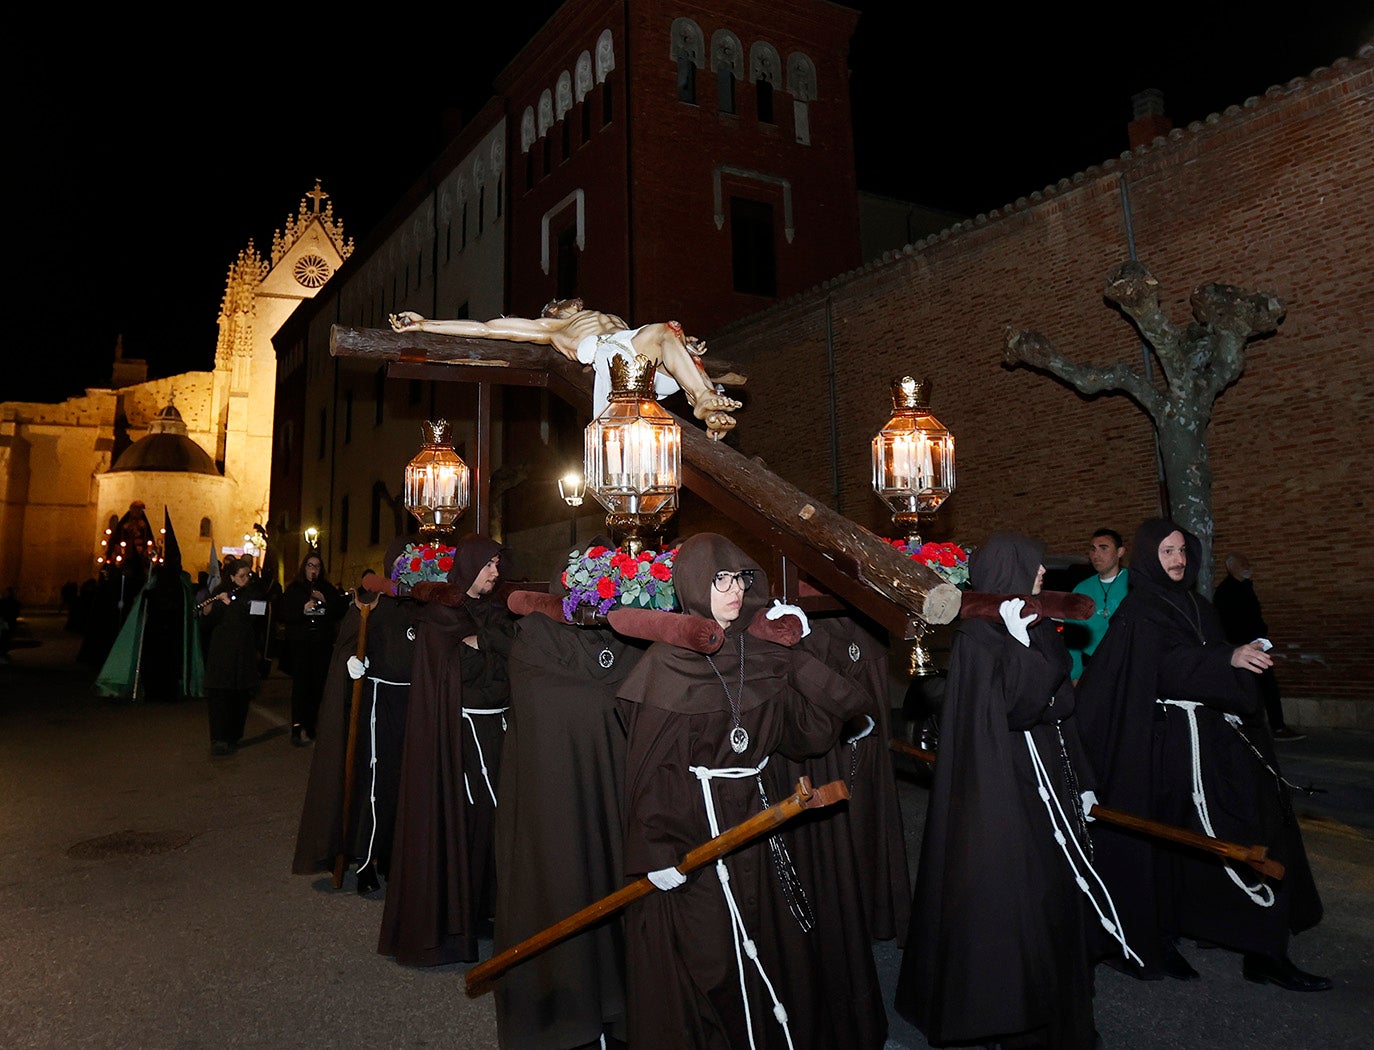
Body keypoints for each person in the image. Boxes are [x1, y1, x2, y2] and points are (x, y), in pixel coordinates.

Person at [616, 532, 887, 1050]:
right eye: (720, 580)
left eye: (740, 578)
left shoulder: (757, 655)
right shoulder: (665, 666)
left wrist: (800, 652)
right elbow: (652, 768)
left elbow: (804, 737)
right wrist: (656, 848)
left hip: (758, 824)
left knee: (770, 935)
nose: (735, 590)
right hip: (695, 827)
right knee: (712, 951)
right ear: (695, 584)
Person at [1076, 518, 1328, 991]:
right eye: (1167, 552)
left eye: (1182, 551)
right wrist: (1224, 659)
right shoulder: (1139, 611)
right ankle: (1162, 935)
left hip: (1214, 740)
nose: (1178, 560)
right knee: (1170, 845)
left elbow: (1210, 657)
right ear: (1149, 556)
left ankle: (1264, 950)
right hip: (1165, 749)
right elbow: (1161, 668)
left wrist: (1237, 656)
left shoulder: (1199, 605)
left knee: (1251, 826)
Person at [895, 533, 1110, 1049]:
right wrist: (1020, 646)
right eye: (1034, 565)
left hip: (1052, 774)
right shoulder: (978, 638)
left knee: (1057, 896)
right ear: (1009, 571)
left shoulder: (1034, 624)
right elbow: (1015, 708)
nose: (1043, 573)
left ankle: (1061, 1013)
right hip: (1007, 786)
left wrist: (1083, 781)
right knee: (1022, 900)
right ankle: (1019, 1019)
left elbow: (1062, 711)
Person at [378, 535, 516, 966]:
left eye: (497, 564)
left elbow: (509, 652)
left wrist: (485, 642)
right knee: (470, 817)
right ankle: (459, 915)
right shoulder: (442, 616)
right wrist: (485, 647)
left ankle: (488, 906)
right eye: (488, 565)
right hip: (461, 733)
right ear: (469, 566)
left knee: (498, 820)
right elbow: (445, 670)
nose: (495, 572)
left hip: (500, 727)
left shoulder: (495, 612)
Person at [390, 299, 743, 437]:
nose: (567, 300)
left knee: (673, 333)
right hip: (615, 360)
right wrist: (425, 324)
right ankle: (704, 399)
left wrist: (681, 346)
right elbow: (486, 329)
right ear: (552, 312)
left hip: (643, 362)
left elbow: (654, 340)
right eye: (558, 302)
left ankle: (708, 406)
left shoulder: (610, 316)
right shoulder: (551, 327)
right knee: (667, 330)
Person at [292, 536, 421, 895]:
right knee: (375, 784)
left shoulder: (419, 606)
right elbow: (349, 645)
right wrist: (352, 662)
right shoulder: (370, 602)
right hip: (379, 702)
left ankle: (393, 857)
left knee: (403, 782)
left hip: (412, 702)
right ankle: (365, 860)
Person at [1214, 552, 1303, 740]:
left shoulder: (1245, 587)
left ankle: (1275, 727)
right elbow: (1228, 623)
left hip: (1256, 644)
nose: (1247, 567)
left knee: (1267, 686)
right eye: (1243, 564)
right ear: (1232, 568)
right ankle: (1259, 728)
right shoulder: (1226, 592)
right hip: (1242, 647)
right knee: (1254, 687)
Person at [199, 557, 267, 755]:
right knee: (219, 696)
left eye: (247, 575)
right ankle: (218, 738)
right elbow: (207, 625)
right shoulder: (219, 592)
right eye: (241, 576)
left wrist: (231, 603)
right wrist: (208, 610)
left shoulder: (254, 593)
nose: (245, 579)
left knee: (240, 697)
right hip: (221, 653)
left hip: (243, 652)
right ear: (231, 577)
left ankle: (233, 735)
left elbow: (256, 615)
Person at [277, 552, 345, 746]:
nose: (313, 569)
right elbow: (284, 614)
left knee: (317, 687)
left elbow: (338, 611)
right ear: (304, 567)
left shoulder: (327, 589)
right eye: (310, 565)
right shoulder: (295, 589)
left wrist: (325, 601)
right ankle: (298, 727)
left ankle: (311, 725)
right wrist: (302, 609)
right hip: (301, 644)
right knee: (301, 687)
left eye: (317, 566)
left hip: (320, 645)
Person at [1062, 527, 1129, 682]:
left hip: (1129, 667)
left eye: (1103, 548)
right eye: (1093, 549)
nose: (1096, 555)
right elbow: (1072, 638)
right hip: (1093, 669)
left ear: (1120, 552)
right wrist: (1075, 675)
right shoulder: (1081, 590)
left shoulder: (1134, 585)